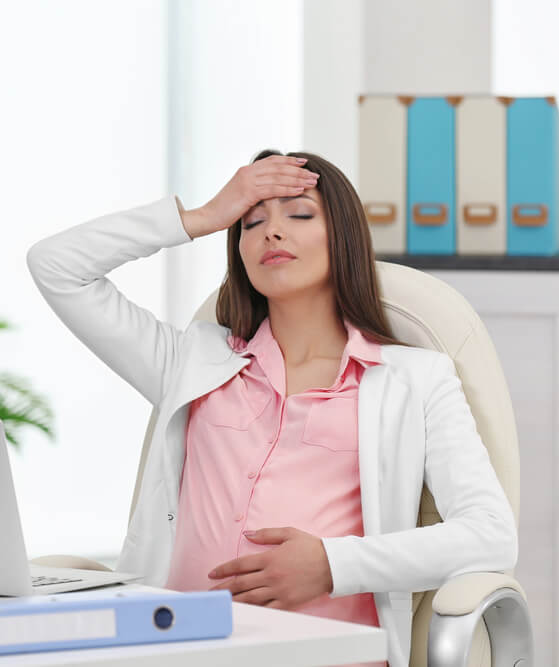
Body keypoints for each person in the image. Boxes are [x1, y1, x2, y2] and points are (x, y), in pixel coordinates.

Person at [26, 150, 518, 667]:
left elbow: (490, 534)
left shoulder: (415, 380)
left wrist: (331, 564)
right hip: (173, 651)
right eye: (252, 221)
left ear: (343, 238)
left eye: (300, 214)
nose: (271, 232)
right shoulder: (190, 362)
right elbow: (56, 267)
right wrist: (203, 217)